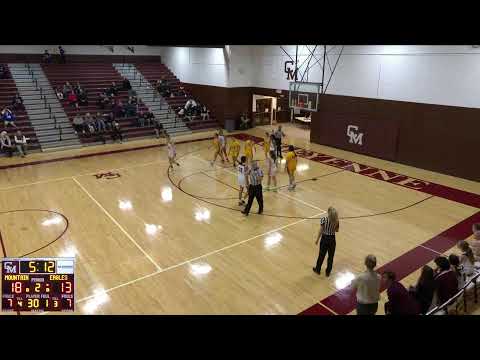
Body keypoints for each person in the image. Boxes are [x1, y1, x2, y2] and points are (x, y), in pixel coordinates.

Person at [313, 206, 339, 277]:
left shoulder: (324, 219)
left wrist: (317, 239)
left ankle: (317, 269)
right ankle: (328, 272)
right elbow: (336, 230)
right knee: (331, 257)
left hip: (325, 239)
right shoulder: (337, 221)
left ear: (328, 213)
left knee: (321, 255)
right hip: (332, 240)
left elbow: (321, 230)